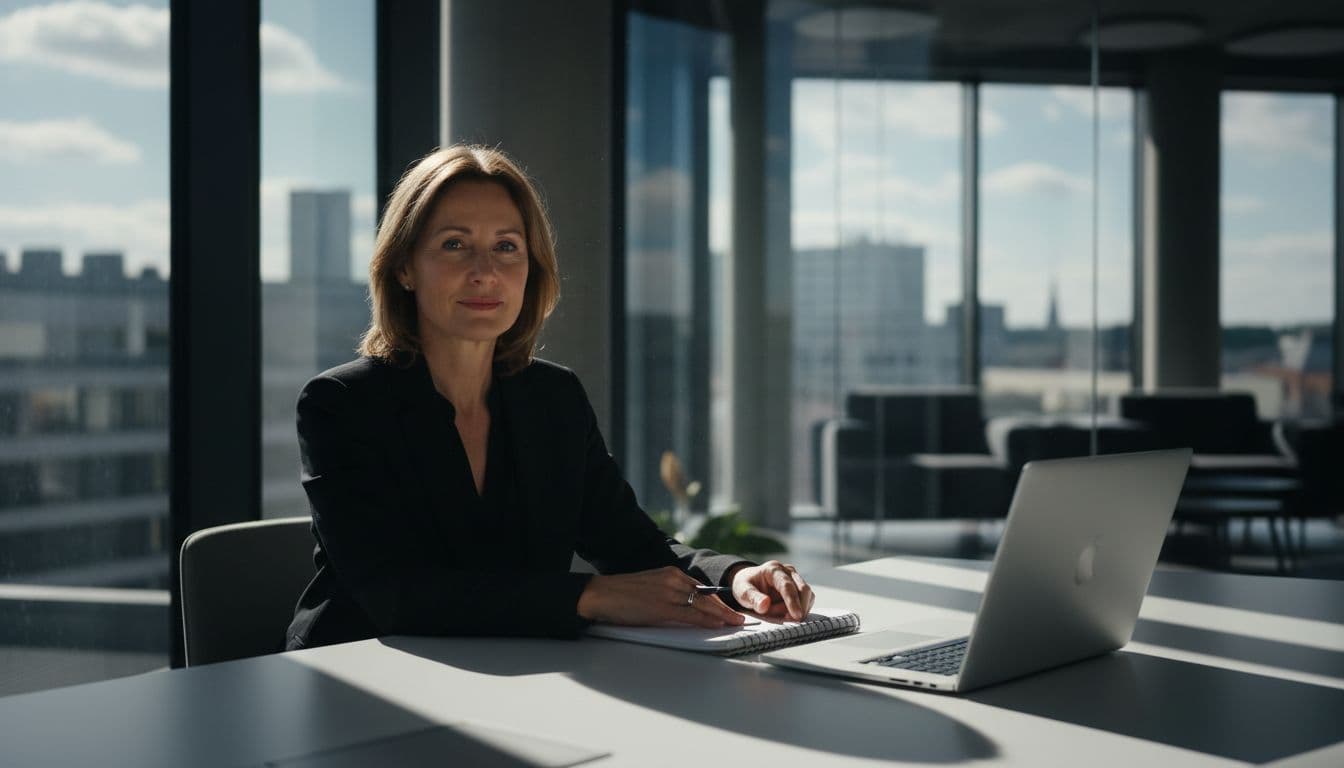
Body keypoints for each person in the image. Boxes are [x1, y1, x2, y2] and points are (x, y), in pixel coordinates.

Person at [285, 145, 814, 650]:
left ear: (530, 268)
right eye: (454, 244)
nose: (485, 271)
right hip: (361, 679)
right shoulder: (342, 404)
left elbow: (632, 547)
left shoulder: (553, 398)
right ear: (404, 268)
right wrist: (592, 596)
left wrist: (737, 575)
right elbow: (394, 594)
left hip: (522, 673)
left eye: (506, 247)